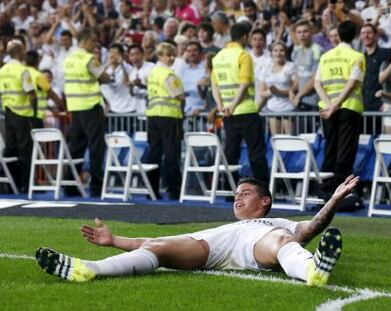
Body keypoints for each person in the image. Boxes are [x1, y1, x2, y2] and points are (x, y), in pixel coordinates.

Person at [35, 175, 360, 286]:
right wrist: (114, 240)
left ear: (265, 201)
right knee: (160, 246)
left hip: (259, 245)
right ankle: (89, 269)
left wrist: (332, 200)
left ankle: (311, 269)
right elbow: (150, 240)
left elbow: (312, 227)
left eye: (244, 193)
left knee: (283, 241)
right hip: (215, 247)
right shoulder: (223, 226)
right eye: (235, 194)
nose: (237, 198)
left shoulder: (278, 224)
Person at [212, 23, 269, 185]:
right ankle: (263, 189)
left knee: (231, 153)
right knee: (256, 152)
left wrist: (221, 106)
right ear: (244, 37)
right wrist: (233, 105)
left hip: (227, 114)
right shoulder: (243, 55)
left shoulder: (218, 57)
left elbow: (214, 86)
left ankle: (231, 191)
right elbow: (244, 84)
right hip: (246, 110)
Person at [314, 20, 365, 199]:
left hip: (327, 110)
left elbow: (317, 83)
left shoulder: (326, 56)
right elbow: (352, 83)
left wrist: (329, 105)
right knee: (345, 150)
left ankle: (325, 189)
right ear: (355, 35)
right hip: (348, 108)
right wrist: (336, 106)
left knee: (330, 148)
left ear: (339, 35)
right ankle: (342, 191)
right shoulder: (357, 56)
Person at [63, 27, 112, 197]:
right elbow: (104, 77)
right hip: (91, 106)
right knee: (96, 147)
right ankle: (96, 188)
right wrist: (108, 73)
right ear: (84, 42)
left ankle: (69, 185)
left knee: (76, 147)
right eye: (92, 41)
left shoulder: (68, 59)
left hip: (75, 108)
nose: (95, 44)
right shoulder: (88, 59)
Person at [145, 42, 185, 200]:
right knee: (171, 154)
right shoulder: (168, 73)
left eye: (173, 55)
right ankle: (174, 190)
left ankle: (151, 190)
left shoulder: (153, 72)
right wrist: (183, 94)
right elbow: (178, 94)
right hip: (169, 116)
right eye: (169, 55)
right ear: (160, 55)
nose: (172, 58)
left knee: (154, 154)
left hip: (153, 116)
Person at [0, 40, 37, 193]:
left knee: (10, 150)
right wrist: (33, 112)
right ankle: (27, 185)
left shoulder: (2, 70)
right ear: (20, 52)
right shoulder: (23, 70)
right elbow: (31, 94)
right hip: (22, 115)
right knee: (25, 152)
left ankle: (11, 185)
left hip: (8, 114)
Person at [258, 41, 297, 135]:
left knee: (289, 139)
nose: (278, 53)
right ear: (271, 52)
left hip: (288, 107)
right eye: (275, 50)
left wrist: (279, 92)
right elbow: (262, 92)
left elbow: (295, 88)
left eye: (281, 50)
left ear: (286, 52)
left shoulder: (291, 66)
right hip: (272, 108)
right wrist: (271, 92)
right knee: (276, 139)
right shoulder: (265, 68)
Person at [359, 23, 389, 135]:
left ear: (376, 36)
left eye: (369, 33)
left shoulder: (386, 53)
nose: (366, 36)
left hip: (381, 106)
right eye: (363, 33)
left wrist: (387, 100)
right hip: (364, 107)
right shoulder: (360, 58)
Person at [25, 50, 63, 129]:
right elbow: (51, 93)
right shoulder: (38, 76)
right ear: (38, 60)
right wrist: (62, 105)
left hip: (24, 113)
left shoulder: (22, 73)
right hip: (37, 115)